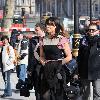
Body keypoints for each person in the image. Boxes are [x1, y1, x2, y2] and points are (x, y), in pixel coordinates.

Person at [39, 17, 72, 100]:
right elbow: (42, 56)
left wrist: (57, 64)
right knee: (45, 96)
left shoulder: (62, 39)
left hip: (58, 71)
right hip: (46, 71)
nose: (47, 26)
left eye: (50, 24)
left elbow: (69, 57)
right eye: (47, 24)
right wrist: (45, 64)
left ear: (56, 26)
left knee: (58, 96)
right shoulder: (43, 39)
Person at [77, 23, 100, 100]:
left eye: (93, 30)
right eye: (89, 30)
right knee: (85, 94)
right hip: (85, 70)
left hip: (97, 71)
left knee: (97, 93)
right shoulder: (83, 40)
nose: (91, 31)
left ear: (98, 31)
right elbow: (79, 57)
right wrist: (78, 71)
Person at [27, 23, 45, 99]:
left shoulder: (48, 39)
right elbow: (30, 56)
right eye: (35, 30)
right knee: (37, 91)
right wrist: (29, 69)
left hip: (45, 68)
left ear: (42, 30)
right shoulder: (33, 40)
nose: (35, 31)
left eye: (37, 30)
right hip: (35, 69)